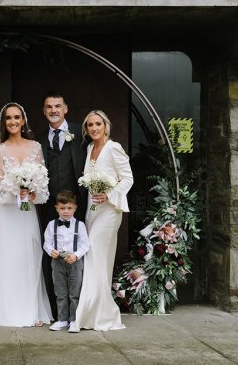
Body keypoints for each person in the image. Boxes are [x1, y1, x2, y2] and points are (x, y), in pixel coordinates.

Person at [0, 102, 52, 327]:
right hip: (6, 213)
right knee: (7, 258)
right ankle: (7, 310)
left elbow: (44, 186)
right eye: (8, 118)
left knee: (28, 257)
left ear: (23, 121)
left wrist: (33, 194)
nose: (13, 122)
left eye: (16, 117)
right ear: (4, 123)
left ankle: (31, 310)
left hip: (27, 212)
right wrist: (16, 189)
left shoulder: (35, 147)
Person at [73, 110, 133, 332]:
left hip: (109, 211)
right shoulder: (90, 148)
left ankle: (94, 313)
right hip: (92, 210)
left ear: (106, 126)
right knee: (98, 259)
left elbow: (128, 178)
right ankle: (96, 313)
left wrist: (110, 195)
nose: (94, 128)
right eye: (90, 125)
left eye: (98, 124)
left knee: (95, 257)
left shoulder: (113, 148)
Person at [37, 91, 88, 318]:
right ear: (44, 111)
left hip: (77, 205)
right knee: (52, 253)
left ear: (66, 108)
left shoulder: (80, 132)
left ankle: (79, 310)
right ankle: (56, 310)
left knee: (78, 253)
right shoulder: (38, 139)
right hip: (50, 206)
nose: (53, 110)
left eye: (58, 106)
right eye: (49, 107)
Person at [43, 190, 90, 333]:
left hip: (75, 262)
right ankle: (62, 319)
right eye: (62, 208)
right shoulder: (52, 225)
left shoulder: (80, 225)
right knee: (60, 292)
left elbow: (85, 245)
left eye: (69, 208)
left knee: (75, 292)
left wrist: (76, 255)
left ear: (75, 207)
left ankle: (74, 320)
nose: (66, 211)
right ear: (56, 208)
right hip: (57, 262)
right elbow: (47, 243)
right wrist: (51, 251)